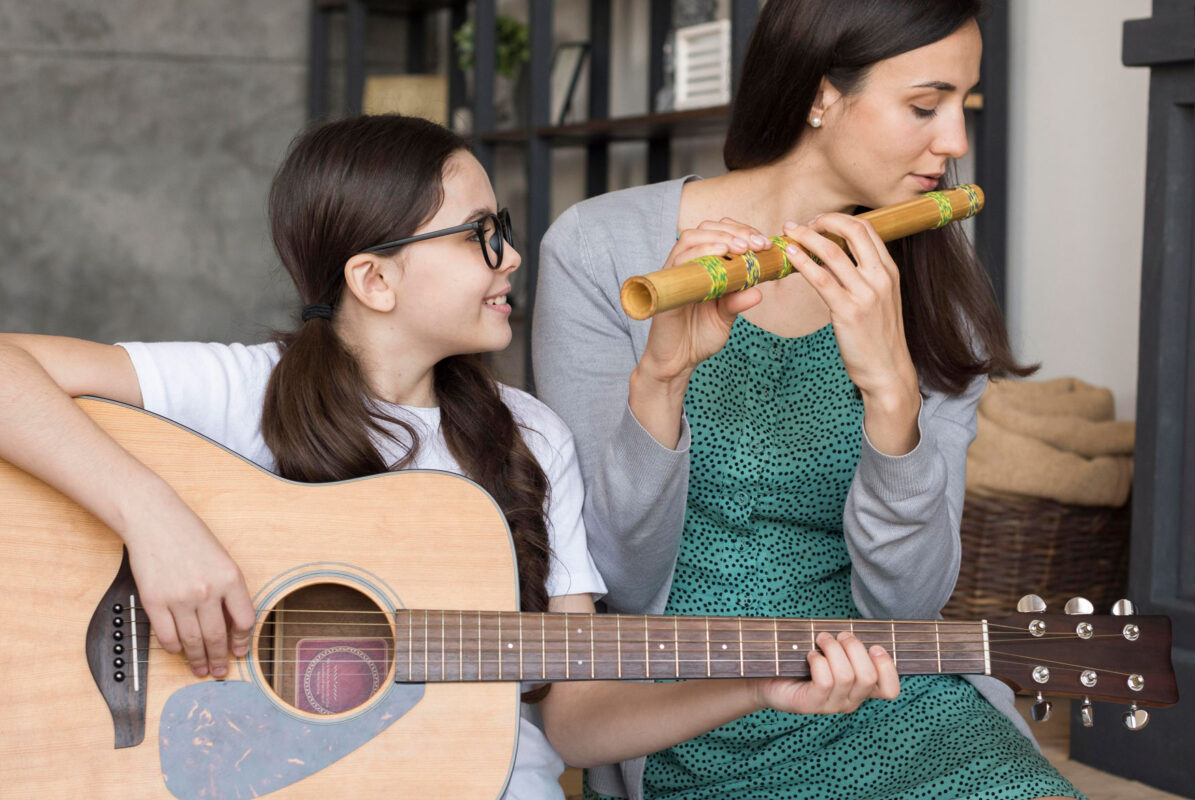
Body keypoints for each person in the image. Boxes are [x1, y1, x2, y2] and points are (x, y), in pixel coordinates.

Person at [0, 113, 897, 800]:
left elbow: (576, 720)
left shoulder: (529, 438)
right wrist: (151, 517)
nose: (507, 256)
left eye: (499, 227)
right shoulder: (242, 391)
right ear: (374, 279)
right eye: (477, 235)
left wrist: (756, 686)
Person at [533, 1, 1084, 798]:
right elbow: (612, 571)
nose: (954, 143)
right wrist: (660, 381)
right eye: (924, 107)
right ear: (822, 96)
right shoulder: (600, 250)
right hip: (684, 704)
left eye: (963, 105)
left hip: (884, 686)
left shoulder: (935, 297)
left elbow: (910, 599)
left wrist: (892, 393)